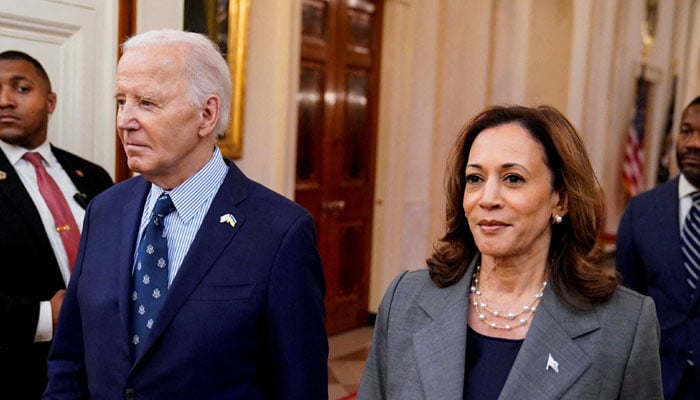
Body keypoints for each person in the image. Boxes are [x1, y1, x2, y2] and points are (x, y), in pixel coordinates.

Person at [43, 29, 328, 399]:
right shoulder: (105, 210)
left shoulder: (280, 232)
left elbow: (298, 385)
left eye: (146, 102)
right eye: (121, 101)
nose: (125, 120)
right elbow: (70, 360)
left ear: (206, 115)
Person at [358, 105, 663, 399]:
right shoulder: (406, 300)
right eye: (475, 179)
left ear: (561, 199)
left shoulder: (623, 326)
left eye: (512, 178)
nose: (487, 198)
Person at [0, 50, 113, 399]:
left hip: (105, 365)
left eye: (21, 89)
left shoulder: (93, 176)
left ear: (50, 101)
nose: (4, 101)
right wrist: (46, 315)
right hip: (19, 372)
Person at [616, 95, 700, 400]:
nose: (693, 143)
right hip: (655, 380)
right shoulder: (641, 211)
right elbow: (627, 304)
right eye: (687, 131)